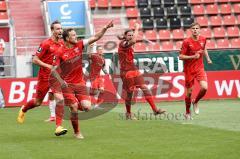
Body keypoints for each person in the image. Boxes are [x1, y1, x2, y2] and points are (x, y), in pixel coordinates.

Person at [53, 20, 113, 139]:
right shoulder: (60, 52)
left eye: (76, 35)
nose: (76, 37)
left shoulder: (79, 45)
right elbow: (54, 70)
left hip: (80, 83)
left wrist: (105, 27)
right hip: (67, 86)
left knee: (87, 108)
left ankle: (69, 104)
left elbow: (96, 37)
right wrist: (61, 82)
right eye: (73, 35)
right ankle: (77, 132)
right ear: (66, 38)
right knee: (74, 107)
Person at [17, 20, 67, 136]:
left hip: (55, 77)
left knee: (60, 99)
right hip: (44, 77)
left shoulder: (62, 44)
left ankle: (58, 127)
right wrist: (48, 66)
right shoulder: (45, 44)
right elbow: (34, 59)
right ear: (52, 30)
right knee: (38, 102)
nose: (60, 31)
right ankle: (24, 109)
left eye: (61, 28)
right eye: (57, 29)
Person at [117, 24, 166, 120]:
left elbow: (133, 41)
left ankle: (155, 110)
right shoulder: (122, 44)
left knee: (145, 88)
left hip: (134, 70)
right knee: (130, 93)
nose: (131, 37)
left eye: (132, 35)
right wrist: (136, 28)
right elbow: (134, 40)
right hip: (126, 72)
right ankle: (128, 113)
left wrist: (132, 31)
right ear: (125, 36)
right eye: (129, 35)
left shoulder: (128, 43)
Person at [179, 22, 212, 120]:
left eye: (197, 28)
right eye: (193, 28)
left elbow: (204, 48)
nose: (195, 30)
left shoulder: (203, 39)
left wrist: (208, 58)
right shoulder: (186, 42)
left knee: (204, 88)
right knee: (189, 93)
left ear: (200, 30)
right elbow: (180, 56)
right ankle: (187, 112)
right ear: (190, 30)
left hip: (199, 68)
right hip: (189, 70)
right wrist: (193, 56)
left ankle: (196, 101)